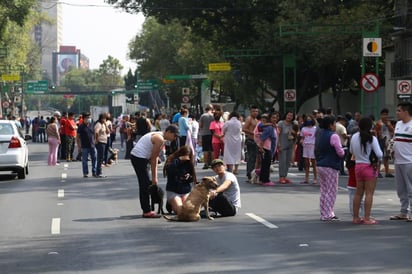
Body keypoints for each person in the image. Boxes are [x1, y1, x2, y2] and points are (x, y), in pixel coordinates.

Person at [130, 124, 179, 218]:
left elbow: (155, 158)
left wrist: (154, 178)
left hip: (141, 157)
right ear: (168, 132)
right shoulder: (159, 139)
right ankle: (146, 211)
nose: (175, 138)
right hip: (139, 158)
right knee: (144, 184)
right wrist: (154, 178)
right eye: (175, 135)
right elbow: (153, 159)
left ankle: (147, 208)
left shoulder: (161, 138)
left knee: (146, 182)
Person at [350, 117, 383, 225]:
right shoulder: (372, 139)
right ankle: (367, 217)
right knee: (369, 193)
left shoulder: (354, 137)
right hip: (369, 167)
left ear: (359, 126)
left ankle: (355, 217)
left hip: (358, 166)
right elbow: (379, 154)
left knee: (358, 192)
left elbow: (351, 151)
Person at [315, 116, 345, 221]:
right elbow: (340, 152)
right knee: (331, 190)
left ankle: (324, 212)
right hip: (331, 165)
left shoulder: (321, 134)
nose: (335, 125)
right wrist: (344, 151)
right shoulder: (334, 136)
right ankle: (328, 214)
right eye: (334, 123)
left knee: (324, 190)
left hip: (320, 164)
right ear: (331, 125)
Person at [390, 102, 412, 221]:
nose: (397, 113)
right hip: (398, 161)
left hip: (409, 161)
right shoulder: (398, 124)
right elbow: (395, 139)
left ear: (406, 112)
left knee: (411, 188)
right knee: (401, 189)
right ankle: (403, 212)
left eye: (399, 111)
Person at [164, 145, 197, 215]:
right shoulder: (172, 160)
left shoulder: (189, 163)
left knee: (188, 211)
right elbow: (170, 170)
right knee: (181, 212)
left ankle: (174, 203)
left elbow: (192, 178)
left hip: (185, 191)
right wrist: (179, 160)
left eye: (188, 155)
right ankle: (171, 203)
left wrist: (189, 176)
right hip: (173, 191)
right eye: (184, 155)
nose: (186, 158)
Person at [257, 112, 278, 186]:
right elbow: (263, 137)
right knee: (266, 165)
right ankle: (265, 180)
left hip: (269, 148)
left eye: (276, 117)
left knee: (265, 164)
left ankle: (262, 179)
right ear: (270, 119)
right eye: (273, 117)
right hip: (266, 148)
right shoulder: (269, 127)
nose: (274, 119)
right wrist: (261, 147)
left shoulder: (273, 127)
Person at [277, 111, 298, 184]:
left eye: (291, 116)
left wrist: (294, 132)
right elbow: (278, 134)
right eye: (288, 115)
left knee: (287, 162)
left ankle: (285, 176)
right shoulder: (281, 123)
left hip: (290, 144)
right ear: (285, 115)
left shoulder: (293, 124)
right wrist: (278, 145)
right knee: (282, 162)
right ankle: (281, 177)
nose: (289, 117)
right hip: (282, 144)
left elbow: (296, 135)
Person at [375, 108, 395, 178]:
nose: (385, 116)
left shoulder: (388, 122)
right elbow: (376, 132)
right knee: (380, 157)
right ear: (381, 115)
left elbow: (392, 130)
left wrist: (388, 125)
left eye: (386, 115)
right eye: (384, 115)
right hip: (381, 141)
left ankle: (387, 172)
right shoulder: (378, 123)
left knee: (386, 157)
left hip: (388, 141)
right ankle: (377, 172)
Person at [76, 112, 97, 178]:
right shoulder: (81, 127)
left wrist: (96, 141)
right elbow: (77, 137)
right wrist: (79, 147)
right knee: (84, 160)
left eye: (89, 117)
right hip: (84, 146)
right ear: (84, 119)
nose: (88, 119)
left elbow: (95, 134)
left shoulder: (92, 125)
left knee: (94, 159)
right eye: (87, 118)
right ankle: (85, 173)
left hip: (92, 145)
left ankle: (94, 172)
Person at [300, 114, 318, 184]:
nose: (308, 120)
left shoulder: (315, 128)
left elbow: (317, 137)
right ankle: (306, 178)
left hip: (313, 145)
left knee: (314, 163)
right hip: (306, 146)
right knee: (306, 163)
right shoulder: (303, 128)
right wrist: (301, 140)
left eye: (310, 119)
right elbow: (302, 137)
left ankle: (315, 178)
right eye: (307, 119)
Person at [243, 106, 259, 181]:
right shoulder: (249, 119)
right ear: (250, 112)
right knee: (251, 158)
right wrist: (253, 133)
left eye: (256, 111)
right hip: (251, 140)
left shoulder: (256, 120)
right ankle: (249, 174)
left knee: (255, 158)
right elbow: (244, 129)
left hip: (256, 141)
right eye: (253, 111)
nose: (255, 113)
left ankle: (253, 173)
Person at [199, 104, 214, 169]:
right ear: (212, 109)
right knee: (212, 149)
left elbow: (200, 125)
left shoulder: (203, 116)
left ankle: (206, 164)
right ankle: (213, 163)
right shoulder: (213, 116)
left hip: (205, 134)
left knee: (205, 149)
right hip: (213, 134)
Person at [94, 113, 110, 178]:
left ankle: (99, 171)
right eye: (104, 118)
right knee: (100, 158)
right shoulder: (98, 124)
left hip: (104, 142)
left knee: (101, 157)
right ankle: (98, 172)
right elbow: (96, 132)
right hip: (100, 142)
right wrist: (97, 139)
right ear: (101, 118)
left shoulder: (103, 124)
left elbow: (108, 132)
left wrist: (106, 125)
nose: (105, 120)